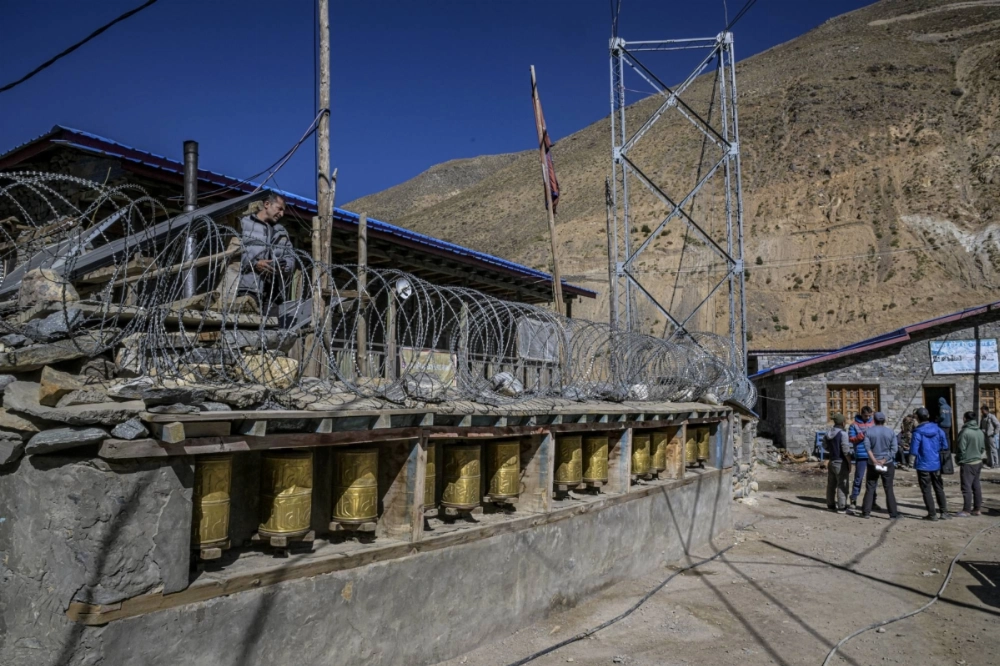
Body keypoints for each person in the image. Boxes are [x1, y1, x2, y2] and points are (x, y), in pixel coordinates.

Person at [237, 191, 296, 315]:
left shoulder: (281, 232)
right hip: (248, 288)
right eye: (279, 209)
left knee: (271, 326)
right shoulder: (244, 224)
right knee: (245, 324)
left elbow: (291, 259)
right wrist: (255, 263)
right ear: (267, 204)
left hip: (273, 294)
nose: (282, 214)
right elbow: (233, 254)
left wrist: (283, 265)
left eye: (283, 211)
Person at [911, 407, 950, 520]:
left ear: (918, 418)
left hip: (922, 464)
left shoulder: (917, 432)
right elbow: (945, 445)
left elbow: (913, 450)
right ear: (928, 416)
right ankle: (944, 512)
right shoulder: (938, 429)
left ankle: (932, 514)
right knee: (939, 488)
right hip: (936, 463)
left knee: (926, 490)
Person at [860, 412, 900, 519]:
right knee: (889, 488)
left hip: (872, 464)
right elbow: (894, 449)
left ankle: (866, 512)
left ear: (874, 420)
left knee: (870, 487)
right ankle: (893, 514)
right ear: (884, 420)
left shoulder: (869, 431)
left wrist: (874, 460)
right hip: (887, 463)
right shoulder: (890, 432)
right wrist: (884, 460)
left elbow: (867, 447)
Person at [848, 405, 877, 513]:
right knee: (858, 478)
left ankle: (872, 501)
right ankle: (853, 500)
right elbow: (851, 439)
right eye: (865, 416)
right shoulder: (854, 425)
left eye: (869, 415)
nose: (867, 417)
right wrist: (861, 436)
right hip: (861, 454)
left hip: (873, 455)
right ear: (861, 414)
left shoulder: (874, 423)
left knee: (873, 479)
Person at [956, 411, 985, 517]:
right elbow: (982, 448)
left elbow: (960, 449)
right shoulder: (979, 431)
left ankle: (966, 510)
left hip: (968, 463)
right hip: (978, 461)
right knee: (976, 485)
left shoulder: (965, 432)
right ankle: (977, 509)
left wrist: (959, 459)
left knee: (966, 487)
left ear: (965, 419)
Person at [825, 413, 851, 513]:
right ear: (843, 423)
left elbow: (825, 446)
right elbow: (845, 450)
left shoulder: (828, 433)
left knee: (831, 484)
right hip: (841, 462)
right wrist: (849, 462)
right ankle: (842, 507)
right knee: (842, 484)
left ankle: (830, 505)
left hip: (831, 460)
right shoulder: (843, 434)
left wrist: (832, 451)